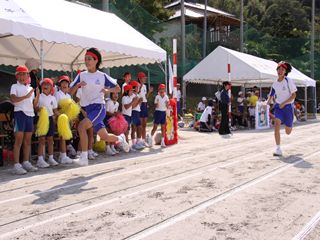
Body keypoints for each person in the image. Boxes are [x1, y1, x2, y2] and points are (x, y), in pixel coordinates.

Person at [70, 48, 129, 166]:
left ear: (96, 60)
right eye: (85, 59)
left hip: (99, 108)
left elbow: (118, 88)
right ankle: (121, 139)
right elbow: (70, 91)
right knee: (105, 136)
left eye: (89, 59)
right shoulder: (81, 75)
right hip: (88, 109)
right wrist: (78, 86)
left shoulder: (102, 76)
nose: (87, 61)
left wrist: (108, 90)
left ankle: (84, 157)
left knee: (81, 127)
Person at [10, 66, 38, 175]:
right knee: (18, 141)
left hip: (30, 115)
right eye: (20, 74)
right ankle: (16, 165)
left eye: (24, 74)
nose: (22, 77)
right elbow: (13, 99)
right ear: (16, 76)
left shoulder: (31, 89)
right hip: (19, 114)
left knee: (27, 141)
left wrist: (38, 96)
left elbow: (34, 105)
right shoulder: (14, 86)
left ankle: (26, 162)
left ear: (28, 76)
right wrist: (26, 96)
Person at [267, 61, 297, 156]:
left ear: (285, 71)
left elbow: (293, 96)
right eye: (279, 69)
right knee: (276, 126)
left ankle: (292, 120)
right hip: (279, 107)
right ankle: (278, 149)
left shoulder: (288, 80)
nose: (280, 71)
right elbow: (271, 95)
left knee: (288, 132)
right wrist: (268, 102)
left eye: (282, 70)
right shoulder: (275, 83)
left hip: (288, 107)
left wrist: (284, 103)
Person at [35, 78, 59, 168]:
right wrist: (40, 109)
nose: (45, 86)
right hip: (41, 119)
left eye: (48, 84)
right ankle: (40, 160)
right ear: (41, 86)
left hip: (50, 119)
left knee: (50, 139)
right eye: (44, 84)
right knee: (41, 139)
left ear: (51, 87)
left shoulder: (53, 98)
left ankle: (51, 158)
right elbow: (35, 108)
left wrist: (61, 116)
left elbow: (55, 110)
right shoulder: (39, 96)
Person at [55, 75, 74, 164]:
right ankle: (63, 156)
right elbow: (55, 107)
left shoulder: (69, 96)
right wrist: (63, 107)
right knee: (62, 136)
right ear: (60, 84)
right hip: (60, 117)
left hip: (67, 118)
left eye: (66, 83)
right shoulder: (58, 94)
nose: (64, 84)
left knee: (66, 136)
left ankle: (63, 155)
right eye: (62, 82)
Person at [137, 72, 153, 147]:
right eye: (143, 78)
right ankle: (138, 140)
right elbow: (137, 94)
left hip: (145, 104)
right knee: (139, 125)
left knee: (144, 124)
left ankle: (143, 141)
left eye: (145, 78)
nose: (145, 79)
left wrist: (149, 92)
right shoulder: (137, 86)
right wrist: (140, 87)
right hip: (139, 105)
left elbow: (145, 97)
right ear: (140, 78)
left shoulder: (145, 86)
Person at [121, 84, 139, 151]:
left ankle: (127, 146)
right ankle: (127, 147)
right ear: (127, 91)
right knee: (126, 132)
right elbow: (126, 107)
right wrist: (133, 101)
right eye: (131, 91)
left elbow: (132, 106)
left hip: (129, 116)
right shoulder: (124, 98)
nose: (132, 92)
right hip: (125, 116)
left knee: (127, 132)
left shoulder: (129, 97)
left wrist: (136, 101)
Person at [130, 80, 144, 150]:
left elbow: (138, 105)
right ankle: (133, 143)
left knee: (139, 127)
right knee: (134, 128)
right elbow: (132, 106)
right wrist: (139, 102)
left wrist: (140, 102)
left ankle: (138, 141)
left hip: (138, 112)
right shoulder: (132, 95)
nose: (139, 88)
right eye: (138, 87)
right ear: (134, 88)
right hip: (133, 112)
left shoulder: (137, 95)